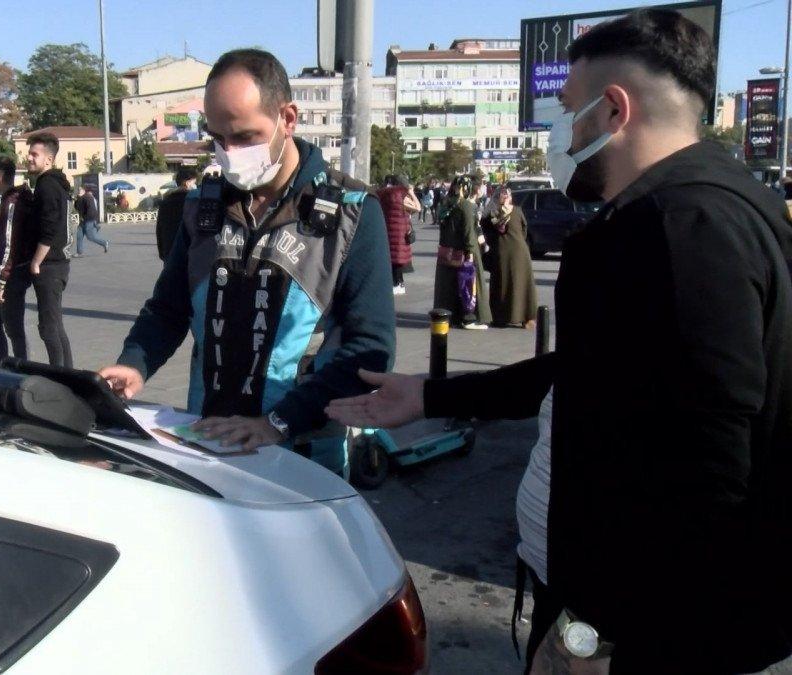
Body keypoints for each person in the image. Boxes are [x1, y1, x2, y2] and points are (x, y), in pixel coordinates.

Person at [329, 10, 792, 674]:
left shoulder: (681, 228)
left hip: (647, 633)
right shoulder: (716, 202)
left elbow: (706, 467)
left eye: (568, 110)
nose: (560, 131)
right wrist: (431, 396)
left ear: (614, 110)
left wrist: (596, 633)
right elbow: (589, 372)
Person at [97, 49, 395, 474]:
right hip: (207, 441)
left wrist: (278, 423)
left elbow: (370, 349)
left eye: (244, 137)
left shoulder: (352, 213)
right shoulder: (202, 208)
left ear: (287, 119)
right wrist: (135, 363)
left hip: (302, 454)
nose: (229, 152)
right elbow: (168, 308)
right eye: (218, 139)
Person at [2, 131, 74, 368]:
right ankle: (68, 373)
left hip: (49, 265)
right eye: (29, 153)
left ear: (48, 159)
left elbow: (50, 228)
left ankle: (60, 376)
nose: (29, 158)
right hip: (57, 263)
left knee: (48, 328)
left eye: (35, 154)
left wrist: (36, 261)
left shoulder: (47, 185)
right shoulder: (55, 183)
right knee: (55, 326)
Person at [0, 156, 32, 364]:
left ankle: (22, 369)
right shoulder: (8, 199)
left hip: (12, 272)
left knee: (13, 327)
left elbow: (9, 245)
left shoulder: (13, 202)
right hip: (9, 270)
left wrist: (1, 281)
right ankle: (4, 367)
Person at [434, 175, 491, 329]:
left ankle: (449, 316)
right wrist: (470, 253)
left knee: (449, 286)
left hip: (447, 252)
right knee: (468, 285)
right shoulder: (466, 206)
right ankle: (469, 318)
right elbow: (468, 232)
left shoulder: (445, 203)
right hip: (464, 252)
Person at [482, 187, 536, 328]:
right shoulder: (517, 211)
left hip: (502, 252)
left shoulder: (492, 213)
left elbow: (486, 233)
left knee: (502, 284)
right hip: (520, 251)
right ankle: (526, 318)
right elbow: (524, 229)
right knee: (522, 284)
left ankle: (501, 317)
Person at [376, 174, 418, 296]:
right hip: (400, 233)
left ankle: (393, 283)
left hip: (388, 230)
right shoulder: (401, 197)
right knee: (397, 259)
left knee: (390, 259)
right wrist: (412, 193)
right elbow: (418, 207)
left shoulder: (382, 195)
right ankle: (399, 284)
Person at [156, 165, 198, 260]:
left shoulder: (166, 201)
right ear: (187, 183)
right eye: (194, 182)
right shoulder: (192, 201)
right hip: (188, 252)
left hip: (169, 250)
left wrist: (162, 252)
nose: (195, 186)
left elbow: (159, 228)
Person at [74, 184, 108, 256]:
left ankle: (104, 243)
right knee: (79, 236)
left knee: (90, 237)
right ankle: (79, 252)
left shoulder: (88, 197)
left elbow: (91, 210)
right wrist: (78, 198)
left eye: (80, 190)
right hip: (83, 220)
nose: (79, 191)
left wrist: (89, 219)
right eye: (78, 190)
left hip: (89, 220)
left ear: (84, 190)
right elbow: (77, 207)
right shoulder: (81, 197)